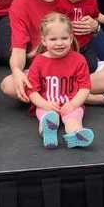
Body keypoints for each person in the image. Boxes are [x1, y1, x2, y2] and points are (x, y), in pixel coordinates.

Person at [27, 13, 94, 149]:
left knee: (73, 120)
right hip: (47, 105)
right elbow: (32, 91)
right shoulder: (38, 61)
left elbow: (84, 87)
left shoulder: (78, 60)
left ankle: (76, 135)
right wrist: (45, 104)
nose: (59, 43)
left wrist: (73, 104)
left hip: (70, 104)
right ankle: (48, 133)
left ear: (71, 38)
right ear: (44, 41)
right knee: (46, 118)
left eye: (64, 38)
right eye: (53, 39)